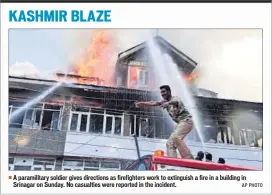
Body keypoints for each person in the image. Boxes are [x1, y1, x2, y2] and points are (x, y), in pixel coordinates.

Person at [135, 85, 194, 159]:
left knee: (176, 137)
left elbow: (176, 102)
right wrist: (142, 103)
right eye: (161, 92)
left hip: (187, 122)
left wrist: (168, 103)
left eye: (164, 91)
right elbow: (153, 103)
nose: (162, 94)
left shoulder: (175, 98)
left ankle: (189, 159)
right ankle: (173, 163)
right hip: (180, 123)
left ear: (169, 92)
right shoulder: (164, 101)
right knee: (169, 144)